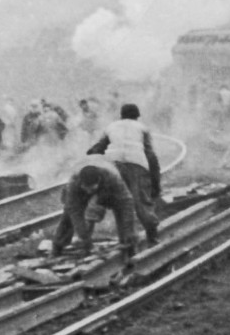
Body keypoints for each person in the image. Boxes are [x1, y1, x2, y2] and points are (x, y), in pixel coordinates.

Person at [87, 103, 161, 247]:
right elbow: (151, 156)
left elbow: (99, 147)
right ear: (137, 116)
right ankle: (152, 237)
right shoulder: (143, 128)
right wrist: (155, 183)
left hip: (113, 163)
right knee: (141, 201)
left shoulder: (111, 126)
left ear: (121, 115)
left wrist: (91, 154)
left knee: (100, 197)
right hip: (136, 164)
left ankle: (85, 235)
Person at [50, 157, 139, 260]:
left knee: (120, 207)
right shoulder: (74, 182)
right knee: (68, 215)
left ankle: (128, 245)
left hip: (107, 185)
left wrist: (128, 230)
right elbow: (74, 211)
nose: (89, 192)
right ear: (81, 183)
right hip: (82, 185)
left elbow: (126, 202)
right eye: (86, 188)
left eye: (91, 188)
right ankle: (57, 247)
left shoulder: (112, 177)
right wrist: (84, 236)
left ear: (99, 181)